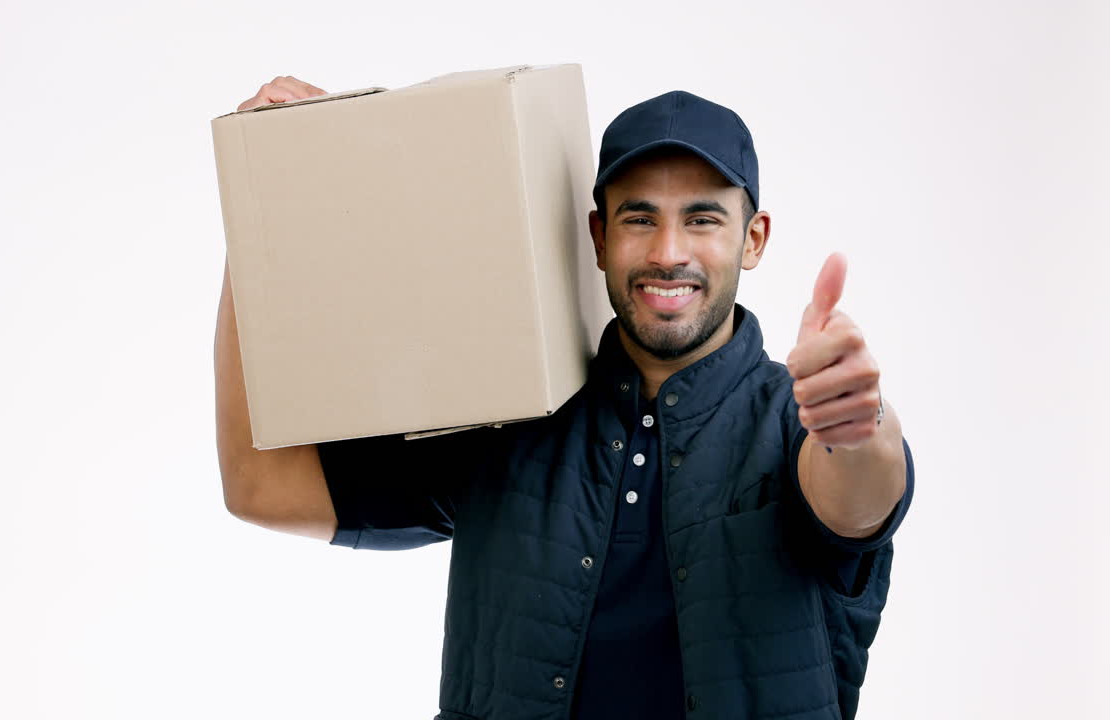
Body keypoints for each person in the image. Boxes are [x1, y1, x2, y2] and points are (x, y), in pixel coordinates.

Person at [214, 75, 915, 720]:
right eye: (640, 219)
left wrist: (856, 426)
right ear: (599, 238)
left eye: (702, 219)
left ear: (753, 240)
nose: (669, 251)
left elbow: (859, 501)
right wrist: (260, 203)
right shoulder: (513, 420)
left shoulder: (797, 421)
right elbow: (261, 483)